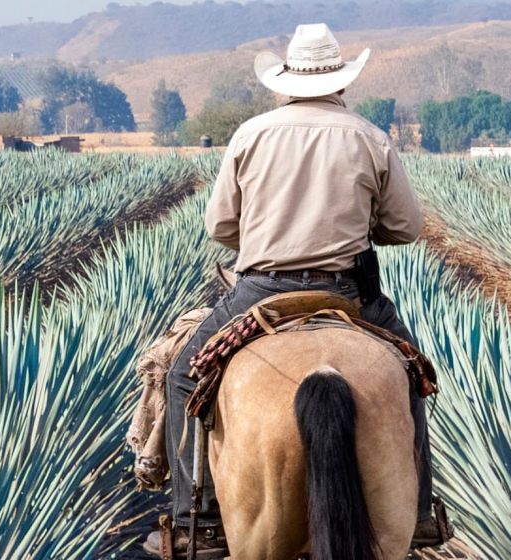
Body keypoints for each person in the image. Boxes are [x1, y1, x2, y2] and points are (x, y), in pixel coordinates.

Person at [146, 23, 447, 558]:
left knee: (182, 376)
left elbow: (221, 227)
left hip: (261, 289)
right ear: (340, 82)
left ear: (286, 81)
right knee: (411, 375)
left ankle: (198, 520)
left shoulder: (250, 135)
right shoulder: (369, 137)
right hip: (347, 292)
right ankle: (420, 513)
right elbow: (405, 228)